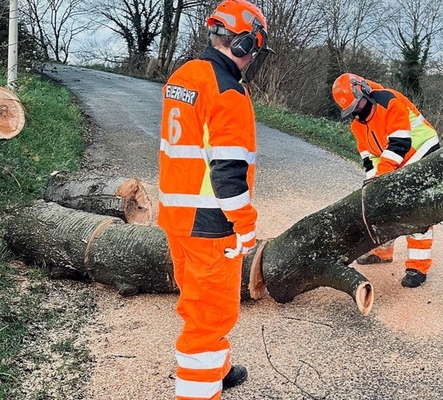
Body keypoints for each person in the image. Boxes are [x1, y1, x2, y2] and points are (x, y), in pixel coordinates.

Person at [156, 0, 272, 398]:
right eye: (253, 48)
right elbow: (228, 174)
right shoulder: (228, 92)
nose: (252, 58)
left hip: (177, 216)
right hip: (210, 223)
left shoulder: (184, 76)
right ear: (243, 44)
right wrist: (245, 225)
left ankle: (216, 369)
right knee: (209, 316)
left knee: (195, 303)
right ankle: (197, 390)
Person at [331, 72, 441, 288]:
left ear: (362, 89)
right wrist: (374, 181)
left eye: (358, 105)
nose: (357, 111)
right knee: (382, 205)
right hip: (395, 158)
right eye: (352, 110)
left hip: (422, 151)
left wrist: (382, 175)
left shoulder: (389, 101)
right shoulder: (357, 125)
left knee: (417, 212)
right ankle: (382, 251)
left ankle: (417, 267)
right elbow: (369, 157)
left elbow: (400, 142)